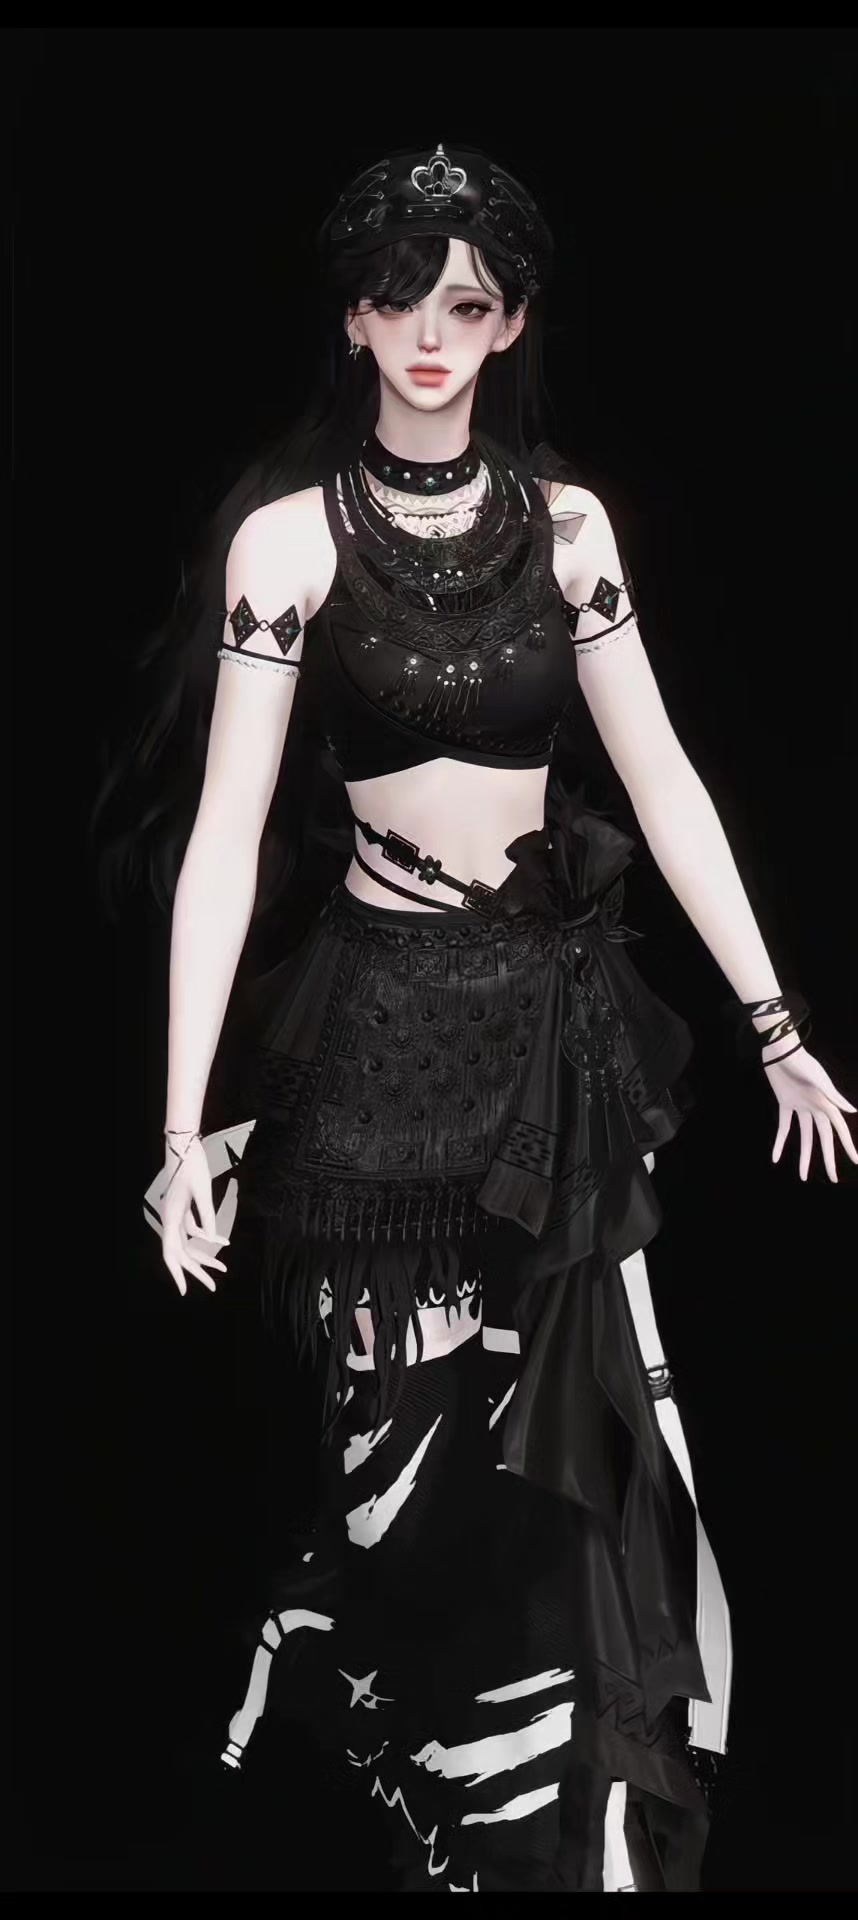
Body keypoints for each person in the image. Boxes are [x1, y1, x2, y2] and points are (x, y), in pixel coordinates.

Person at [111, 143, 856, 1892]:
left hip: (548, 1048)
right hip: (376, 1050)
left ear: (512, 322)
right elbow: (223, 836)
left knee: (578, 1457)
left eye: (466, 303)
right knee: (406, 1466)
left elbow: (661, 779)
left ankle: (577, 1846)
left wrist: (775, 1021)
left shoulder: (568, 531)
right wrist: (179, 1130)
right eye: (398, 300)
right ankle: (419, 1778)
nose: (430, 334)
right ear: (353, 321)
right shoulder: (290, 544)